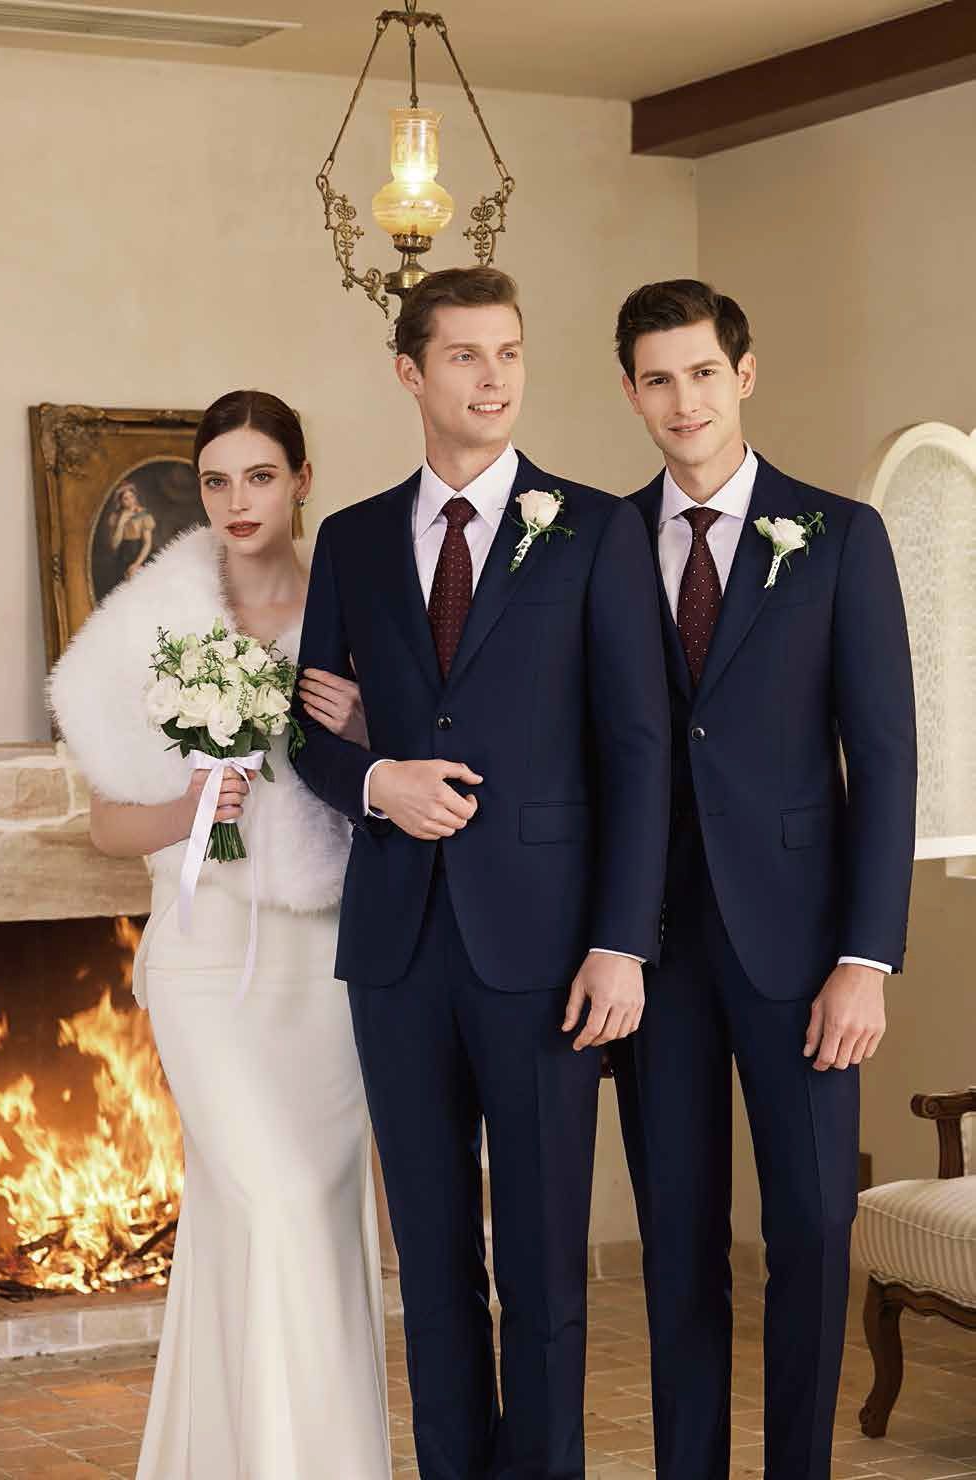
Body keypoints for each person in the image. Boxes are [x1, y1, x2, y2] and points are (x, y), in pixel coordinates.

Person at [293, 266, 670, 1480]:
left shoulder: (600, 526)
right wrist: (372, 779)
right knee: (436, 1258)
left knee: (545, 1260)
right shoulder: (351, 539)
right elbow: (307, 728)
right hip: (397, 947)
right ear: (411, 372)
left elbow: (638, 745)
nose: (493, 376)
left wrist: (622, 938)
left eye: (507, 351)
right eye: (463, 355)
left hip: (550, 948)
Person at [49, 391, 390, 1480]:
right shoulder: (142, 627)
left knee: (311, 1214)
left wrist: (365, 727)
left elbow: (401, 770)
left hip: (329, 960)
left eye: (259, 475)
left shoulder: (356, 607)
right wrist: (194, 806)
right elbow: (107, 823)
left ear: (299, 477)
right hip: (205, 960)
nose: (237, 499)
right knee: (273, 1197)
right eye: (215, 480)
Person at [610, 280, 917, 1480]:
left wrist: (866, 956)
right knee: (678, 1243)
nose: (681, 400)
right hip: (653, 948)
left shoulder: (838, 535)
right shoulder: (596, 542)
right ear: (630, 392)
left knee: (810, 1230)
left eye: (700, 372)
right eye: (655, 378)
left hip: (803, 957)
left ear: (742, 374)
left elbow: (884, 757)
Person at [107, 480, 156, 583]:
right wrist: (121, 523)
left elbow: (147, 543)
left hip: (141, 554)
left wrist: (136, 564)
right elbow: (114, 545)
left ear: (135, 497)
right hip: (123, 557)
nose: (130, 501)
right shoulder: (115, 517)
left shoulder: (143, 514)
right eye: (126, 498)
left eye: (131, 496)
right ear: (120, 501)